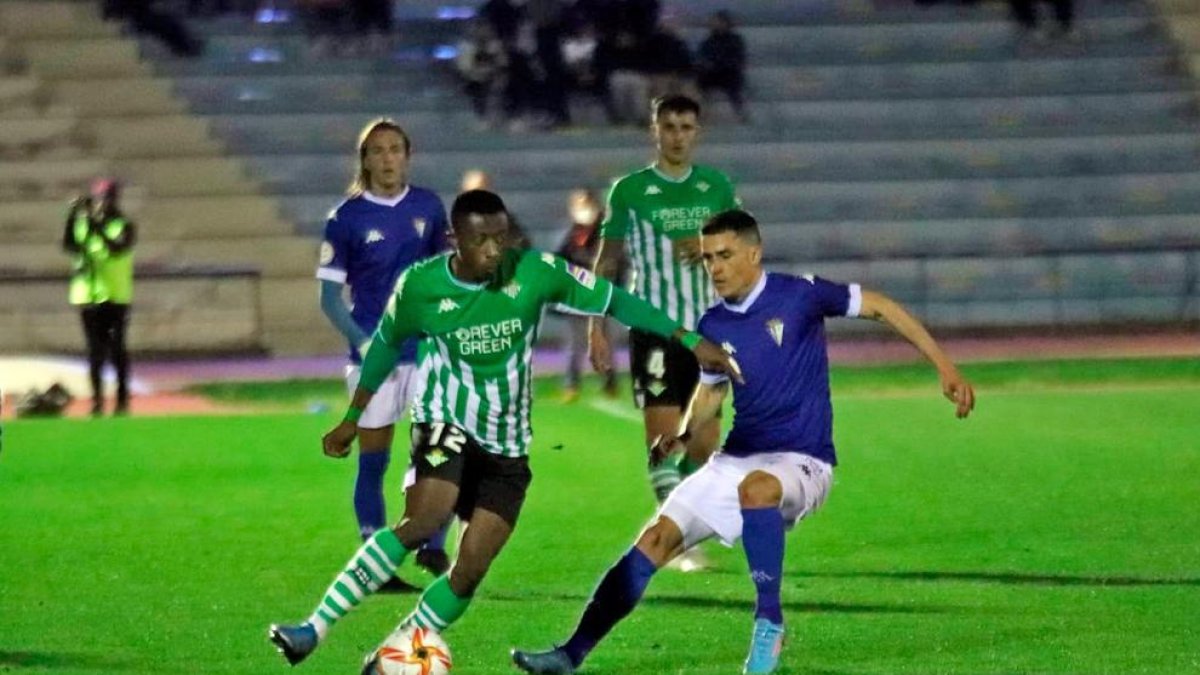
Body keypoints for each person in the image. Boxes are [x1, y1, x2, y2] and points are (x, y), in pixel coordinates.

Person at [268, 189, 742, 670]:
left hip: (508, 440)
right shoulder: (420, 285)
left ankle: (400, 649)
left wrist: (688, 339)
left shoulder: (534, 271)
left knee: (470, 570)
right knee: (425, 519)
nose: (494, 251)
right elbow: (385, 348)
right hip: (445, 418)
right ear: (455, 240)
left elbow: (616, 299)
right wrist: (352, 418)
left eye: (501, 237)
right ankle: (314, 627)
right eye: (481, 241)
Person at [513, 209, 976, 674]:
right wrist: (681, 436)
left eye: (726, 255)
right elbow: (712, 392)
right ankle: (569, 655)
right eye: (709, 257)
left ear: (754, 253)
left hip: (803, 460)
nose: (715, 267)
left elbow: (880, 305)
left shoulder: (799, 295)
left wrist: (945, 366)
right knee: (655, 538)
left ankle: (769, 623)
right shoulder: (713, 323)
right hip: (736, 459)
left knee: (757, 488)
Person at [589, 94, 740, 570]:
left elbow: (744, 244)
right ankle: (675, 540)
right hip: (654, 327)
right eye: (669, 126)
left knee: (704, 444)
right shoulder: (629, 191)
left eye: (686, 127)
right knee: (663, 439)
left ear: (697, 132)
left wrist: (712, 246)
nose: (677, 135)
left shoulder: (716, 186)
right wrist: (597, 325)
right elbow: (608, 258)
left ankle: (680, 525)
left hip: (708, 328)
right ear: (654, 131)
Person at [316, 118, 452, 582]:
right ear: (366, 160)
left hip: (428, 352)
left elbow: (446, 276)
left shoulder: (430, 208)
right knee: (374, 459)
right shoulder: (345, 218)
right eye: (378, 151)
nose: (388, 158)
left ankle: (433, 544)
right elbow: (329, 299)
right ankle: (376, 561)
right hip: (375, 357)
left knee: (439, 450)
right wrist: (364, 342)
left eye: (395, 149)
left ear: (407, 156)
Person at [61, 178, 136, 416]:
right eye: (100, 198)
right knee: (95, 352)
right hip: (89, 296)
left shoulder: (124, 225)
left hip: (115, 295)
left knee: (117, 350)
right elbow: (69, 245)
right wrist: (73, 216)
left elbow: (117, 248)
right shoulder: (86, 225)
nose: (102, 203)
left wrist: (97, 227)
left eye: (106, 198)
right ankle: (97, 402)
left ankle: (122, 401)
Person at [555, 189, 617, 402]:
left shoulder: (603, 231)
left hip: (598, 293)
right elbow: (560, 260)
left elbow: (612, 259)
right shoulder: (571, 234)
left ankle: (609, 381)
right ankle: (572, 384)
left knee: (603, 339)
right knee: (576, 342)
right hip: (576, 295)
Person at [696, 10, 748, 123]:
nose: (715, 24)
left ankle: (740, 114)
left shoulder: (735, 40)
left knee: (734, 86)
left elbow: (738, 58)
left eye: (718, 22)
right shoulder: (708, 41)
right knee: (698, 82)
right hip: (711, 74)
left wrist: (719, 64)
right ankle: (704, 114)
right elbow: (702, 57)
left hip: (729, 73)